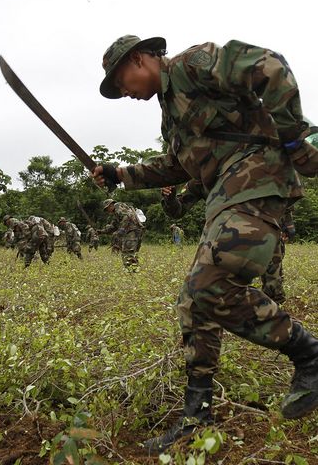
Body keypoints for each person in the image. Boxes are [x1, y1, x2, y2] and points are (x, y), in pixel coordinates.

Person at [93, 35, 318, 453]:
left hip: (258, 180)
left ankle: (309, 353)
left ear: (140, 59)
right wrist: (120, 173)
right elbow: (176, 166)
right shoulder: (170, 114)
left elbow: (270, 66)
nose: (123, 92)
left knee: (209, 285)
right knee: (194, 304)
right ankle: (197, 416)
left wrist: (291, 136)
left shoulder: (194, 65)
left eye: (120, 81)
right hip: (224, 196)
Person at [162, 182, 293, 305]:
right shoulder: (204, 176)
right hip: (222, 238)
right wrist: (170, 198)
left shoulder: (254, 163)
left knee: (273, 288)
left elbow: (280, 192)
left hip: (265, 230)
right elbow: (177, 211)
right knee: (205, 291)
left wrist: (288, 224)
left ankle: (275, 317)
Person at [98, 199, 144, 270]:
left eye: (107, 209)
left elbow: (127, 217)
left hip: (132, 231)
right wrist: (101, 232)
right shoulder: (117, 213)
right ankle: (133, 271)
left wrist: (121, 230)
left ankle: (133, 271)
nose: (107, 211)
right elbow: (113, 226)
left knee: (128, 252)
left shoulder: (118, 207)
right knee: (128, 252)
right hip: (131, 231)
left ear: (111, 205)